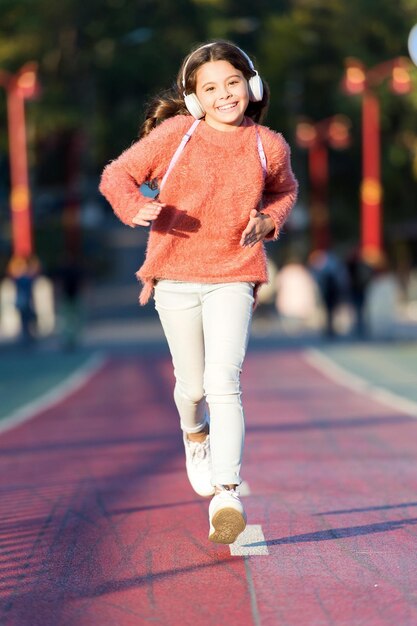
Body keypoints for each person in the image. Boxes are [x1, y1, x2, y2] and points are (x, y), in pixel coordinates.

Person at [99, 40, 298, 544]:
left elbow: (283, 191)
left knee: (223, 380)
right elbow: (116, 175)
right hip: (175, 275)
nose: (224, 95)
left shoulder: (267, 145)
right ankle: (195, 436)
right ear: (195, 99)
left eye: (233, 82)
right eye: (210, 88)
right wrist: (133, 207)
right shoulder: (176, 135)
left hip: (234, 271)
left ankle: (227, 493)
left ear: (250, 85)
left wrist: (268, 220)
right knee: (192, 389)